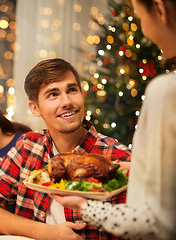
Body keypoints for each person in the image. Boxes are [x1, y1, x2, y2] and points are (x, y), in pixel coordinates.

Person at [51, 1, 176, 239]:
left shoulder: (167, 90)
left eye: (140, 18)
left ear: (160, 9)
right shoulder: (29, 145)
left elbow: (157, 223)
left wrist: (83, 206)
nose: (145, 31)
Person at [0, 58, 131, 240]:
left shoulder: (119, 158)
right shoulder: (28, 146)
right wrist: (45, 233)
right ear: (35, 108)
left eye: (72, 90)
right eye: (53, 94)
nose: (67, 101)